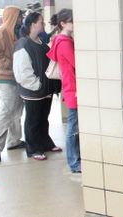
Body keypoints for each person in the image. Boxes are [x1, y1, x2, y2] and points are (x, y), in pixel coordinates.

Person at [13, 12, 62, 161]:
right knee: (33, 120)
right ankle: (33, 148)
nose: (44, 25)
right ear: (33, 24)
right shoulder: (23, 44)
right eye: (41, 22)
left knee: (43, 118)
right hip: (34, 91)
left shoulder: (41, 40)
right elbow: (22, 72)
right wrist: (37, 85)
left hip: (45, 90)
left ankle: (45, 143)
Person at [0, 6, 26, 162]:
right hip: (5, 78)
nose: (22, 19)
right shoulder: (0, 32)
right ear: (12, 17)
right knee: (6, 111)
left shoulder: (17, 32)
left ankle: (14, 141)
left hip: (17, 77)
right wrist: (11, 63)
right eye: (20, 16)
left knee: (17, 111)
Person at [46, 9, 81, 173]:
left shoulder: (60, 40)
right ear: (63, 23)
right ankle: (74, 162)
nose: (76, 23)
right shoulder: (65, 42)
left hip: (69, 88)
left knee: (74, 127)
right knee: (73, 129)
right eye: (72, 21)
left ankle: (75, 160)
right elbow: (77, 64)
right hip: (73, 89)